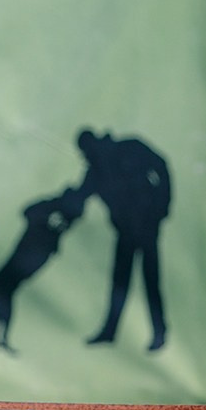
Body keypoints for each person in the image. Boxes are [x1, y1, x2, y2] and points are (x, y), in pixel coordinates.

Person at [74, 129, 172, 351]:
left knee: (151, 281)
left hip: (147, 225)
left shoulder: (130, 147)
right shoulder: (96, 172)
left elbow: (161, 166)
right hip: (126, 230)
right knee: (120, 282)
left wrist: (162, 206)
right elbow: (77, 198)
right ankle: (110, 332)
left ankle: (159, 331)